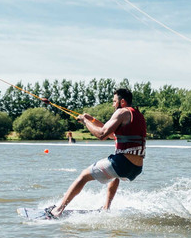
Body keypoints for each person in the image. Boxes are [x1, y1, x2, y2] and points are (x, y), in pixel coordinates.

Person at [48, 87, 146, 216]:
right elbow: (110, 133)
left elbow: (102, 135)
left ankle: (58, 210)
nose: (112, 104)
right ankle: (106, 208)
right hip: (136, 168)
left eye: (114, 101)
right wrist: (91, 120)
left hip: (122, 163)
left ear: (122, 102)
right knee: (114, 177)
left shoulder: (121, 112)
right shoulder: (137, 115)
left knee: (83, 176)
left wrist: (84, 121)